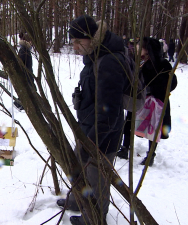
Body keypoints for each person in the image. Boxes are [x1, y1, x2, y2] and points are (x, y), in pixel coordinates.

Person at [58, 15, 128, 225]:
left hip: (102, 137)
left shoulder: (109, 61)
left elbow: (109, 111)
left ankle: (94, 219)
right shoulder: (95, 56)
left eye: (78, 42)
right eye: (73, 43)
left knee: (98, 182)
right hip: (88, 130)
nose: (76, 47)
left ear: (91, 38)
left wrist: (92, 142)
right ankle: (78, 201)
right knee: (79, 169)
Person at [138, 37, 176, 166]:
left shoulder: (163, 64)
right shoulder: (143, 64)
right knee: (149, 128)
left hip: (158, 103)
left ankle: (150, 155)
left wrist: (154, 90)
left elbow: (172, 83)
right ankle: (147, 153)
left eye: (142, 47)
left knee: (155, 128)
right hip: (146, 102)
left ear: (148, 50)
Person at [13, 32, 34, 111]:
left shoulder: (25, 49)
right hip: (26, 75)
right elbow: (20, 64)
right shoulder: (24, 50)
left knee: (30, 91)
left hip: (28, 75)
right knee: (29, 91)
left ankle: (21, 105)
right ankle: (19, 105)